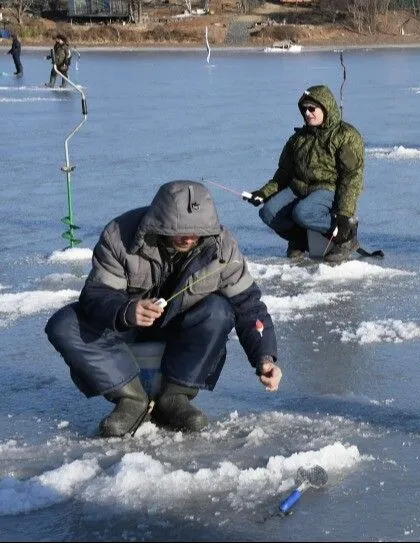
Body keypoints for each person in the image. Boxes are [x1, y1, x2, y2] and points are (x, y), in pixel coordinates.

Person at [44, 180, 281, 438]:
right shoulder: (119, 236)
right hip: (124, 330)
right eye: (180, 231)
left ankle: (175, 396)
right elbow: (96, 295)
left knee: (219, 310)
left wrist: (265, 358)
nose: (190, 238)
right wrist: (126, 311)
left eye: (198, 231)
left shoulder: (222, 248)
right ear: (159, 222)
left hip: (182, 330)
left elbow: (250, 307)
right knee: (64, 324)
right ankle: (130, 398)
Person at [246, 85, 365, 263]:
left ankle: (346, 235)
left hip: (328, 188)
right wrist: (263, 193)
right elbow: (283, 173)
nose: (307, 113)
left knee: (303, 213)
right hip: (299, 187)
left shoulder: (345, 136)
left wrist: (344, 213)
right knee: (268, 213)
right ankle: (299, 239)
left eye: (312, 109)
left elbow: (351, 177)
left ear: (325, 108)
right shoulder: (298, 139)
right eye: (304, 109)